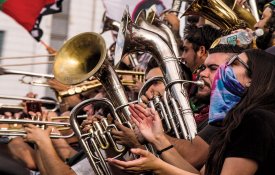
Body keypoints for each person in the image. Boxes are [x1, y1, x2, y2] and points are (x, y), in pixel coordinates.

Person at [108, 49, 275, 175]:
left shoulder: (257, 120)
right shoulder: (235, 120)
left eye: (235, 63)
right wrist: (158, 138)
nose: (225, 68)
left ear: (253, 79)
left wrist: (159, 166)